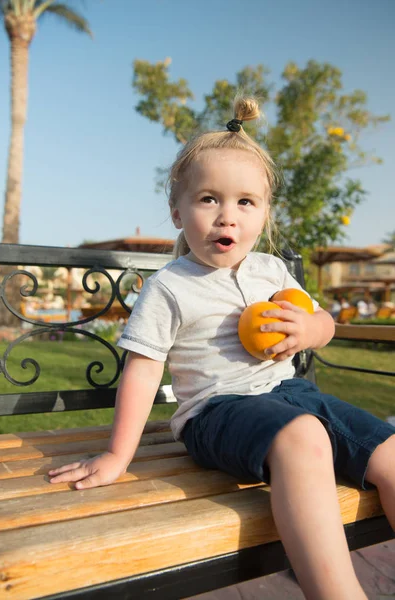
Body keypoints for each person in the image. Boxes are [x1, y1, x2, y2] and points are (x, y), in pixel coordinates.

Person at [49, 97, 395, 600]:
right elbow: (144, 371)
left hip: (290, 392)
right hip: (216, 411)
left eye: (245, 202)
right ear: (177, 210)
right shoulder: (171, 286)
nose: (226, 217)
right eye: (208, 199)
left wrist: (310, 331)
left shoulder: (271, 271)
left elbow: (325, 322)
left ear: (264, 213)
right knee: (305, 438)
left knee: (389, 452)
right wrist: (117, 455)